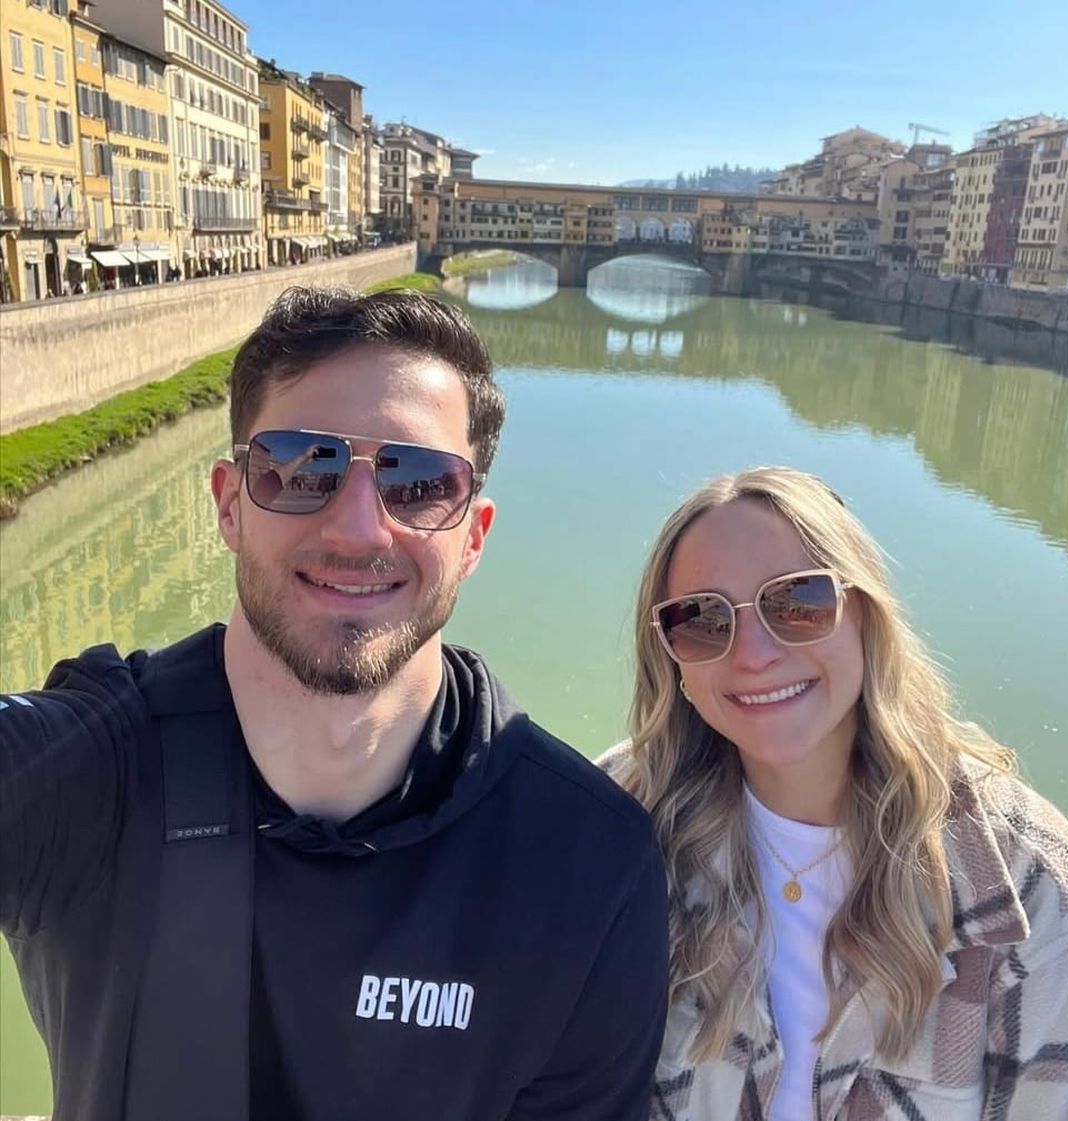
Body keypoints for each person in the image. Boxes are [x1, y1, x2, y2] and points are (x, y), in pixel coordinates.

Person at [1, 287, 668, 1121]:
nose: (359, 529)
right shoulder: (80, 776)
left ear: (473, 537)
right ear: (229, 504)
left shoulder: (585, 863)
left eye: (419, 482)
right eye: (300, 466)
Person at [601, 467, 1068, 1121]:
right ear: (669, 655)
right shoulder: (612, 827)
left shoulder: (1042, 899)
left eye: (797, 602)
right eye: (702, 620)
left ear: (865, 613)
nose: (753, 653)